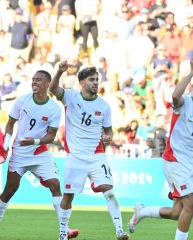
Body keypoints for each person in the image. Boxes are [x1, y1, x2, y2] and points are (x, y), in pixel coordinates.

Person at [0, 70, 79, 240]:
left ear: (46, 84)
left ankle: (64, 229)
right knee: (10, 189)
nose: (34, 82)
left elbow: (51, 136)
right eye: (33, 80)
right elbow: (10, 124)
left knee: (55, 185)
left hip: (39, 153)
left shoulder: (54, 108)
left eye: (39, 80)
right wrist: (6, 143)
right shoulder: (22, 100)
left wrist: (35, 142)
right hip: (20, 153)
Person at [49, 61, 129, 240]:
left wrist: (108, 136)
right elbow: (53, 89)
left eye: (97, 79)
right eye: (91, 79)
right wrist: (59, 72)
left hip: (96, 155)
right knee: (68, 196)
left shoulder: (104, 105)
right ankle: (62, 234)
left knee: (109, 191)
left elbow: (109, 130)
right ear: (82, 82)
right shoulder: (70, 97)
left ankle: (119, 231)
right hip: (75, 157)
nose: (95, 83)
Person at [129, 60, 193, 240]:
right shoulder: (186, 101)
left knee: (176, 212)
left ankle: (142, 212)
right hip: (175, 160)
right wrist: (191, 74)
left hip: (189, 163)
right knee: (191, 205)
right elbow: (174, 96)